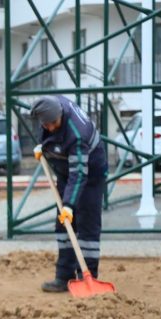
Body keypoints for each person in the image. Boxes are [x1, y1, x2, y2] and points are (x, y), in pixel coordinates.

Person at [31, 95, 108, 293]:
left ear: (61, 116)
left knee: (87, 224)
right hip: (65, 170)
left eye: (53, 123)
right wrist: (45, 148)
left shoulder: (77, 134)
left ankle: (87, 276)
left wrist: (69, 205)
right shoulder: (47, 110)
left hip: (90, 172)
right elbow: (48, 132)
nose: (50, 128)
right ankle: (64, 277)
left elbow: (80, 174)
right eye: (46, 125)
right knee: (63, 225)